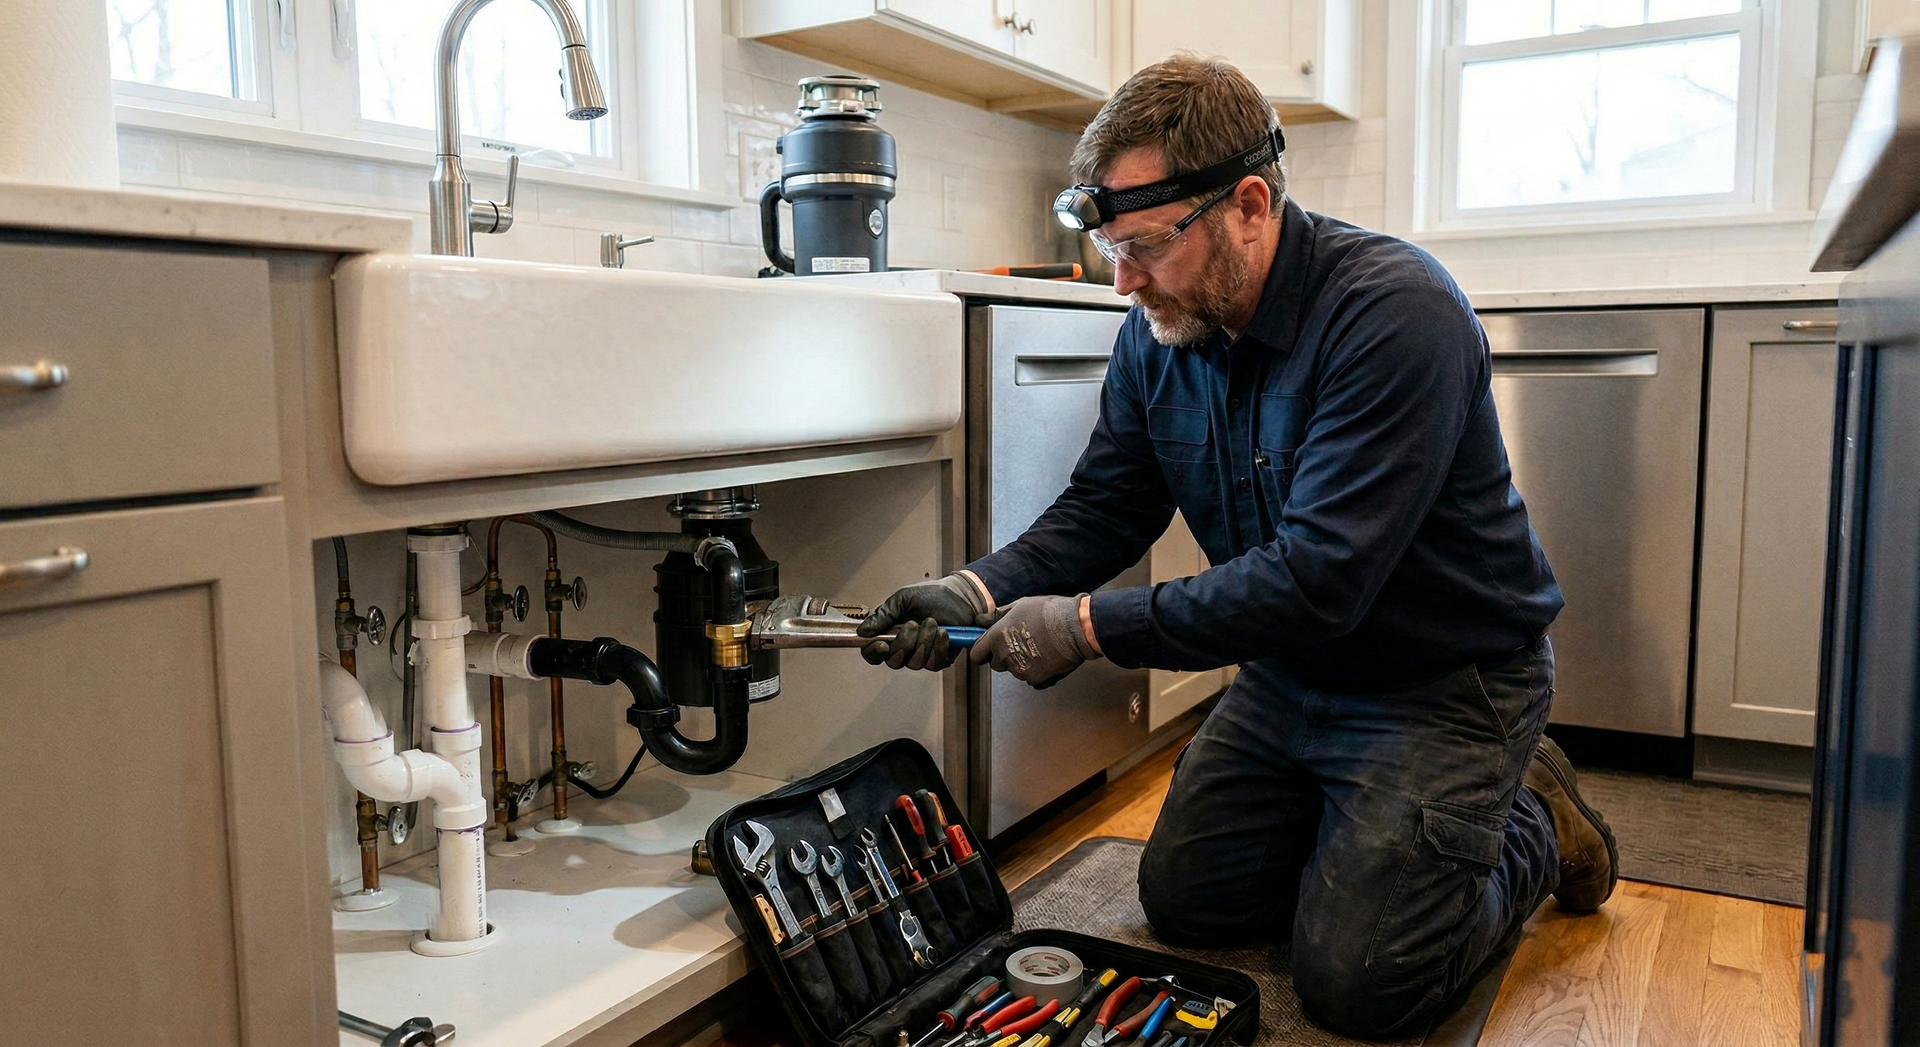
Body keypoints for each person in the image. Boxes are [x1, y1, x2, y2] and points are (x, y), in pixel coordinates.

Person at [855, 55, 1617, 1039]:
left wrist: (1082, 626)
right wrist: (975, 586)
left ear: (1249, 205)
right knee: (1188, 902)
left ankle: (1520, 825)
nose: (1122, 282)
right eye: (1109, 250)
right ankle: (1380, 833)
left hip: (1443, 683)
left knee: (1359, 984)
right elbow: (1108, 504)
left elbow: (1317, 580)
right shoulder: (1164, 326)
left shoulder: (1393, 313)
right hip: (1289, 675)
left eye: (1144, 247)